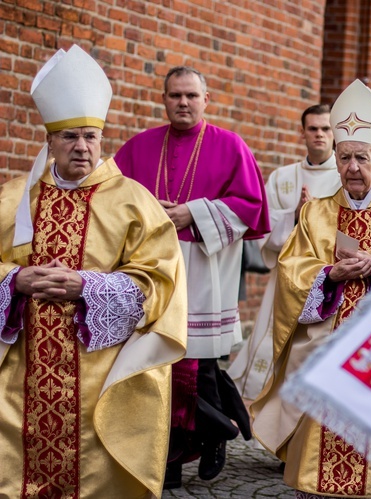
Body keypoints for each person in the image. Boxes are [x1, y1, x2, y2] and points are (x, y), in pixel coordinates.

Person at [0, 44, 187, 497]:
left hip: (98, 374)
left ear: (102, 140)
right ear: (49, 142)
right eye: (69, 137)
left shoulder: (133, 201)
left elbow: (160, 280)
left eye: (90, 136)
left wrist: (88, 285)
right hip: (22, 369)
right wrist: (13, 279)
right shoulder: (11, 200)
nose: (81, 147)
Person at [250, 79, 371, 498]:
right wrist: (328, 276)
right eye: (345, 157)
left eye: (361, 158)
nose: (352, 167)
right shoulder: (318, 211)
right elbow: (291, 270)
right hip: (326, 350)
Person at [114, 66, 271, 488]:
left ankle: (203, 438)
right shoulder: (138, 147)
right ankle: (205, 432)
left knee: (197, 367)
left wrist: (193, 212)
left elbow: (251, 206)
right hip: (152, 270)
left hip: (204, 266)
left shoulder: (230, 145)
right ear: (163, 99)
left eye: (190, 95)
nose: (183, 103)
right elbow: (111, 200)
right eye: (174, 95)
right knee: (156, 364)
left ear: (206, 99)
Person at [228, 104, 341, 404]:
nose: (319, 134)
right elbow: (264, 229)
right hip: (286, 277)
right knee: (273, 340)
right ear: (302, 132)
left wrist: (313, 217)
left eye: (326, 129)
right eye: (313, 128)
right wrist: (295, 215)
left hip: (326, 278)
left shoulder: (346, 177)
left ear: (335, 134)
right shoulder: (283, 177)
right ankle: (260, 402)